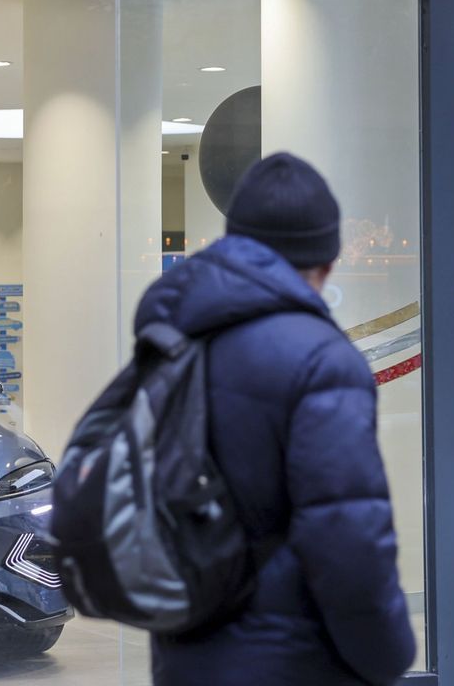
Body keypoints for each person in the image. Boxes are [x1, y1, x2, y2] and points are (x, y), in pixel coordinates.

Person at [141, 152, 416, 685]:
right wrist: (389, 653)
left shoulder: (177, 337)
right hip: (294, 659)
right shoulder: (321, 361)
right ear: (328, 261)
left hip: (185, 648)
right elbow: (346, 536)